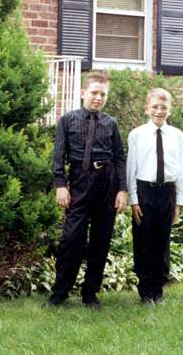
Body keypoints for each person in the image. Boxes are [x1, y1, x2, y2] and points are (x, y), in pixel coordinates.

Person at [42, 71, 128, 311]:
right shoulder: (68, 120)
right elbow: (58, 156)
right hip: (80, 181)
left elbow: (120, 158)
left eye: (103, 94)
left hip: (107, 182)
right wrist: (61, 185)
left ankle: (90, 293)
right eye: (94, 93)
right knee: (71, 238)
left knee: (101, 238)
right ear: (83, 93)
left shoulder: (110, 123)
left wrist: (121, 189)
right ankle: (59, 293)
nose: (98, 98)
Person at [126, 88, 183, 306]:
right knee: (144, 241)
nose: (159, 111)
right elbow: (130, 168)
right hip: (144, 192)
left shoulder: (177, 136)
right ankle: (145, 292)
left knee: (162, 241)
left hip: (167, 192)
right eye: (154, 107)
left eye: (163, 107)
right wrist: (133, 200)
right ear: (146, 109)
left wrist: (178, 202)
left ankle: (158, 290)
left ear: (170, 110)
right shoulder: (137, 135)